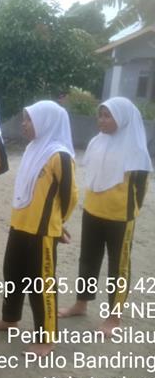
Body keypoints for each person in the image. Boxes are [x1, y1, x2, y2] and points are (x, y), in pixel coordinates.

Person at [0, 100, 78, 356]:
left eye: (29, 119)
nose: (24, 124)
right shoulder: (32, 149)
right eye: (24, 119)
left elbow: (70, 195)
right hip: (20, 225)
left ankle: (47, 337)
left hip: (43, 231)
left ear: (46, 122)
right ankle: (10, 319)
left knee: (41, 283)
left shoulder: (59, 155)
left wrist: (58, 223)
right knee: (13, 274)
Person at [60, 97, 152, 335]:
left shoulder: (136, 152)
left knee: (118, 266)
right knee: (88, 259)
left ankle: (114, 317)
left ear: (122, 118)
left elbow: (140, 188)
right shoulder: (96, 143)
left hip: (120, 218)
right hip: (93, 211)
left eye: (107, 116)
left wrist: (129, 212)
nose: (101, 120)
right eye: (100, 115)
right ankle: (81, 303)